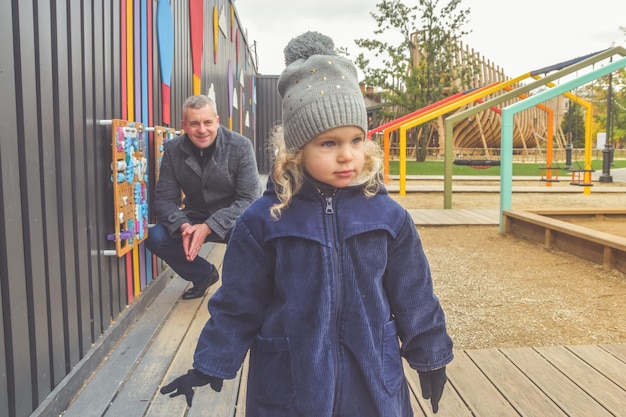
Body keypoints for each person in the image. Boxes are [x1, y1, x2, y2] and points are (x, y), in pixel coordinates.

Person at [160, 32, 453, 415]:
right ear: (298, 148)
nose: (347, 156)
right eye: (328, 144)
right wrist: (212, 361)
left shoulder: (387, 217)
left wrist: (431, 354)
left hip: (371, 380)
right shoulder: (263, 222)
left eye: (355, 140)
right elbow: (238, 302)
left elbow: (414, 293)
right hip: (291, 384)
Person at [147, 95, 261, 300]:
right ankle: (203, 275)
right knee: (156, 237)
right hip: (194, 216)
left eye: (207, 122)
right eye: (194, 123)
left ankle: (239, 293)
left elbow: (250, 199)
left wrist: (209, 226)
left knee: (250, 236)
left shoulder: (240, 146)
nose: (202, 130)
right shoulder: (173, 151)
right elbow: (164, 199)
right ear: (184, 126)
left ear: (217, 121)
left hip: (233, 219)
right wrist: (182, 225)